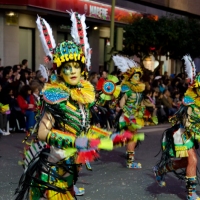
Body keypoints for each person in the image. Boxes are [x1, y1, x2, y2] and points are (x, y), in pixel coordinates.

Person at [15, 12, 128, 200]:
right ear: (60, 71)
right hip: (55, 166)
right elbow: (43, 133)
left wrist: (110, 138)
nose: (73, 71)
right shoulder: (56, 95)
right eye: (67, 67)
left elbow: (84, 126)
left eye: (76, 65)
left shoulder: (82, 95)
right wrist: (74, 142)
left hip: (70, 168)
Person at [153, 55, 200, 200]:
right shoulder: (190, 100)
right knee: (193, 160)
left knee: (185, 162)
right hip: (183, 132)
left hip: (193, 134)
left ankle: (161, 169)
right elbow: (186, 122)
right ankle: (191, 193)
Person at [113, 55, 145, 169]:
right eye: (135, 76)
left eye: (138, 76)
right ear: (131, 77)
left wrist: (141, 111)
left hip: (135, 117)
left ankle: (129, 157)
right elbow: (121, 104)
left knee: (133, 137)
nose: (137, 78)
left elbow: (141, 103)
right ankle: (130, 162)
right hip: (128, 116)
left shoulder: (140, 91)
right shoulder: (127, 89)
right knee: (132, 137)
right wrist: (128, 112)